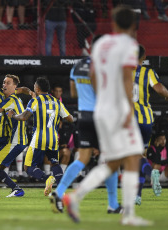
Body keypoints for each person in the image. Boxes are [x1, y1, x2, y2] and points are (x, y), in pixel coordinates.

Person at [63, 6, 152, 226]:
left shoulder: (101, 44)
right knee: (132, 157)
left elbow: (93, 74)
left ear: (113, 23)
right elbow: (126, 79)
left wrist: (102, 98)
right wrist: (128, 110)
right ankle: (128, 215)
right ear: (133, 25)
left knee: (114, 162)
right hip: (118, 109)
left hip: (101, 108)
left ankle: (75, 197)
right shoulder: (129, 46)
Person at [50, 44, 122, 214]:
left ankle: (59, 192)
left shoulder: (77, 66)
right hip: (101, 116)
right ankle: (113, 204)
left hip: (83, 116)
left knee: (82, 158)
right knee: (111, 161)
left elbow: (73, 93)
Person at [8, 77, 74, 196]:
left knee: (28, 167)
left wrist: (13, 115)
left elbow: (24, 117)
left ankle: (46, 178)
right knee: (55, 163)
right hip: (53, 138)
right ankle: (61, 191)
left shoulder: (35, 101)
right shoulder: (57, 102)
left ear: (37, 89)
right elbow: (70, 119)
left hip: (39, 138)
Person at [133, 44, 168, 205]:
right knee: (140, 156)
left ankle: (150, 174)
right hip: (146, 119)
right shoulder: (148, 72)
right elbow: (159, 88)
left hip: (130, 120)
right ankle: (138, 195)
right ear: (144, 57)